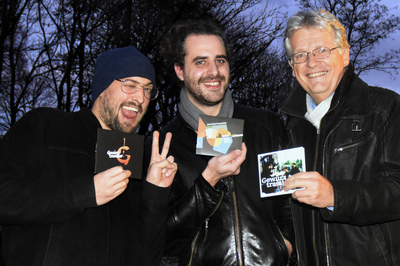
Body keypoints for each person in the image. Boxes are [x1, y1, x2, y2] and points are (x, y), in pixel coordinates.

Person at [0, 46, 177, 265]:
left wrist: (155, 195)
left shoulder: (136, 161)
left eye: (148, 89)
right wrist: (85, 192)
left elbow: (148, 257)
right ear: (103, 87)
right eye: (130, 85)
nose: (141, 98)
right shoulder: (46, 126)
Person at [147, 19, 294, 265]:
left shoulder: (267, 126)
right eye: (200, 61)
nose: (214, 71)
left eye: (220, 60)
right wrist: (208, 182)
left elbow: (292, 198)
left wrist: (286, 246)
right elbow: (161, 240)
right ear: (180, 71)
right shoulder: (163, 145)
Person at [281, 10, 400, 265]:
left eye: (322, 50)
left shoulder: (385, 109)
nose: (312, 63)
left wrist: (336, 196)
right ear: (292, 67)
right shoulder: (290, 128)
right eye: (300, 55)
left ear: (345, 55)